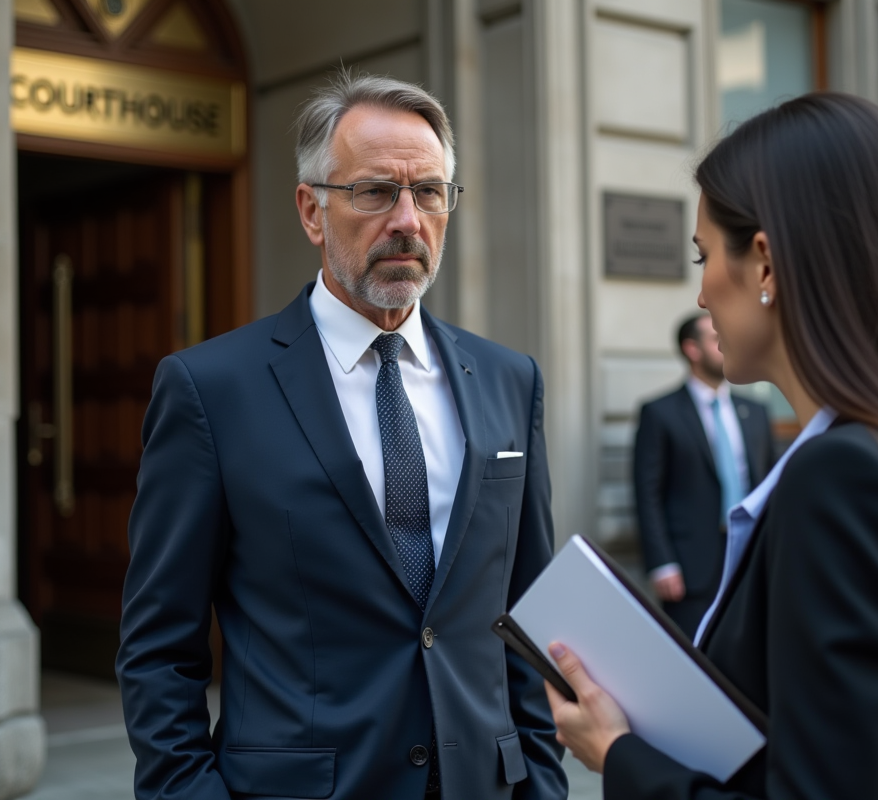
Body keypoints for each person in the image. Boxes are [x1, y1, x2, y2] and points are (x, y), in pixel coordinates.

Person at [544, 93, 878, 799]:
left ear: (765, 264)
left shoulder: (844, 478)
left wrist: (618, 755)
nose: (702, 295)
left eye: (704, 255)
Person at [115, 70, 566, 800]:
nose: (407, 220)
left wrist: (540, 782)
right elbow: (159, 650)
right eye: (375, 191)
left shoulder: (510, 379)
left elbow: (525, 617)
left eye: (428, 192)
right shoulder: (211, 390)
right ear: (311, 211)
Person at [633, 313, 773, 636]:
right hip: (690, 566)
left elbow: (769, 482)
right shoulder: (660, 413)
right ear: (691, 349)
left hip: (750, 556)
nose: (725, 344)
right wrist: (661, 561)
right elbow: (647, 492)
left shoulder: (755, 412)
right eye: (714, 338)